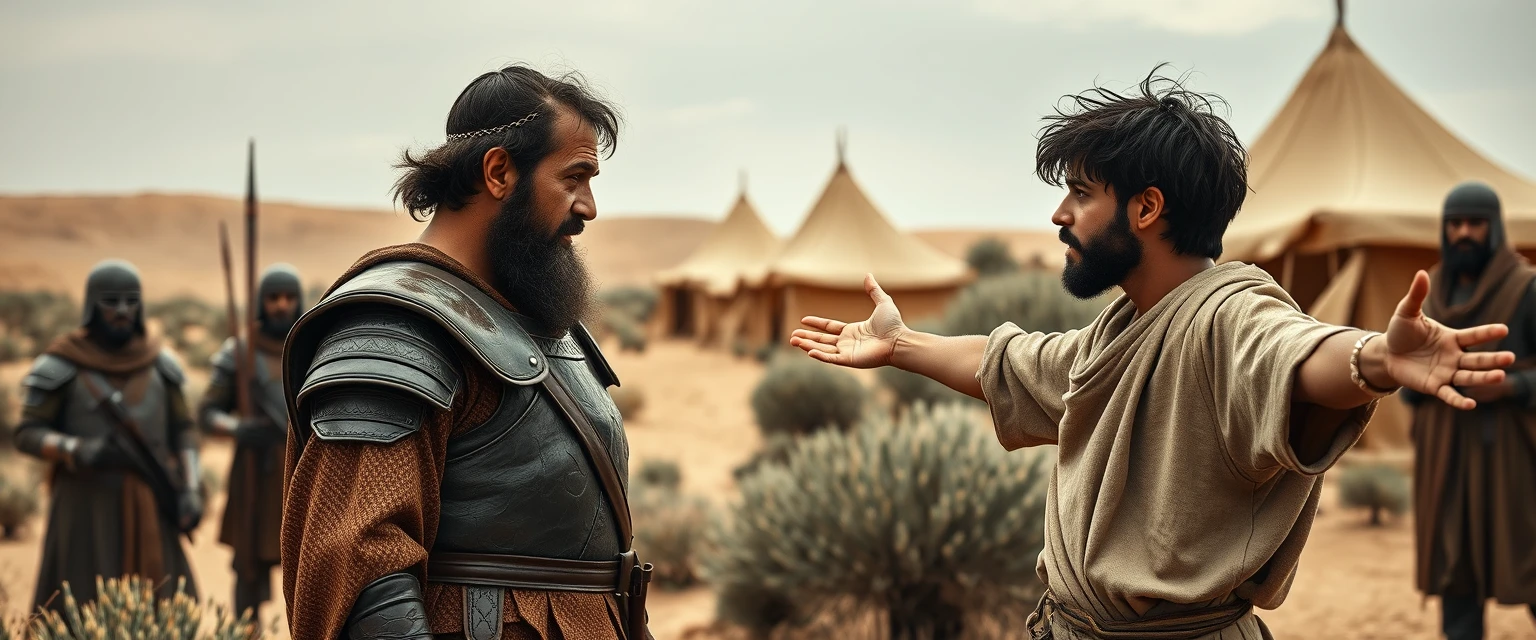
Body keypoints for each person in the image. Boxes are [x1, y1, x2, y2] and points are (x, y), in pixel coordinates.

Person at [789, 70, 1514, 639]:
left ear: (1146, 208)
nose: (1058, 215)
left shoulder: (1227, 315)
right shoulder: (1121, 329)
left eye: (1079, 193)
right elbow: (1008, 362)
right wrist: (901, 344)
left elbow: (1291, 351)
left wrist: (1376, 361)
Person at [279, 65, 649, 640]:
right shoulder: (392, 331)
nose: (589, 206)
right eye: (574, 178)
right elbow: (360, 567)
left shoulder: (531, 319)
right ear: (499, 171)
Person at [14, 259, 202, 609]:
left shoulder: (161, 365)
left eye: (131, 301)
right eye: (111, 301)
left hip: (149, 501)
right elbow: (27, 432)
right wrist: (77, 448)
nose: (122, 311)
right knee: (79, 607)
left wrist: (190, 488)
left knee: (157, 607)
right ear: (91, 305)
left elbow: (184, 431)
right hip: (83, 508)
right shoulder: (62, 364)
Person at [1405, 181, 1536, 640]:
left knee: (1528, 559)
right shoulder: (1429, 292)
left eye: (1474, 224)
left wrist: (1515, 385)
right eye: (1455, 224)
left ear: (1494, 227)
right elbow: (1408, 382)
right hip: (1447, 459)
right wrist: (1419, 380)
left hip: (1514, 461)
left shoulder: (1526, 289)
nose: (1463, 233)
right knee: (1455, 576)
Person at [198, 263, 303, 619]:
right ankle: (246, 630)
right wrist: (237, 428)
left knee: (306, 562)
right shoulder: (239, 352)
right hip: (254, 468)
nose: (281, 305)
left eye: (289, 297)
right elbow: (208, 412)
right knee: (248, 563)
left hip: (300, 467)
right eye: (274, 297)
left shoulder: (310, 345)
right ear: (262, 301)